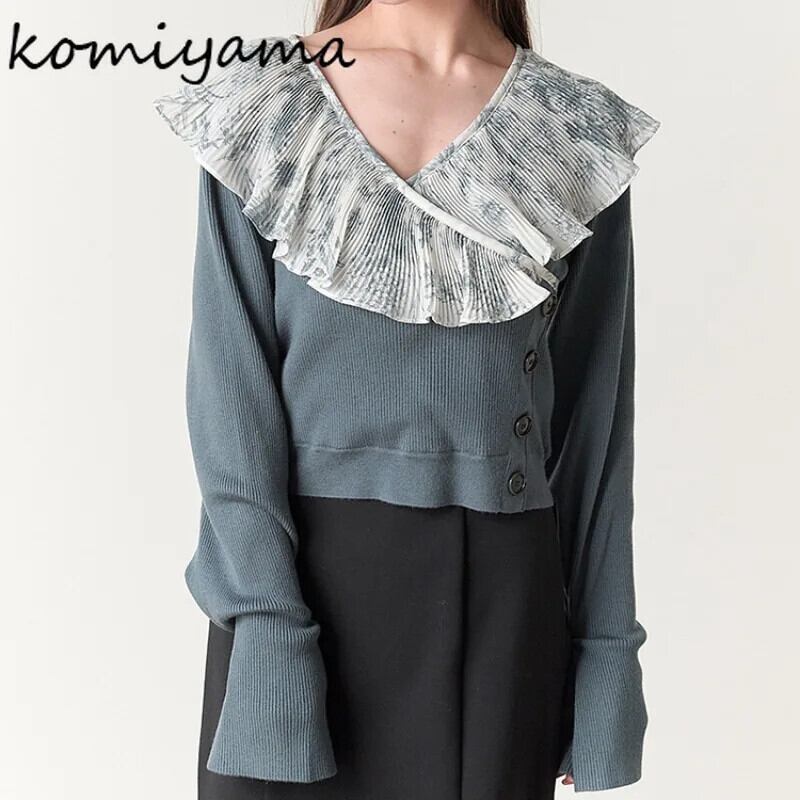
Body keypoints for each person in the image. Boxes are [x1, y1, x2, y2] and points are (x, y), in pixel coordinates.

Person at [154, 1, 660, 798]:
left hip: (499, 615)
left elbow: (595, 437)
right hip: (291, 604)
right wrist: (267, 624)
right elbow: (229, 406)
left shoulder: (571, 131)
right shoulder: (263, 104)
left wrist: (606, 662)